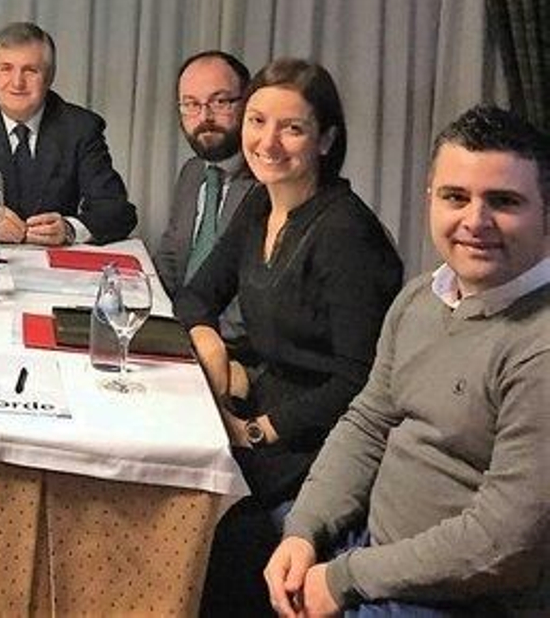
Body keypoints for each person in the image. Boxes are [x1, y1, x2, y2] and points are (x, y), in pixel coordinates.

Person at [264, 106, 549, 617]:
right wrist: (304, 531)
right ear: (430, 202)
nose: (475, 221)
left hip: (462, 600)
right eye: (455, 197)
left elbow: (506, 546)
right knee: (229, 547)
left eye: (503, 202)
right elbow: (369, 423)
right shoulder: (423, 297)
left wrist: (345, 578)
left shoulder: (540, 345)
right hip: (374, 549)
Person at [175, 57, 403, 617]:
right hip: (266, 410)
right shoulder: (260, 203)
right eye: (256, 121)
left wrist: (255, 431)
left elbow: (361, 380)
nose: (267, 142)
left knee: (204, 528)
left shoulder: (346, 232)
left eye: (291, 128)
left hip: (317, 444)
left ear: (325, 140)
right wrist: (209, 346)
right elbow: (196, 295)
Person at [0, 22, 136, 245]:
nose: (17, 82)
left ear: (49, 77)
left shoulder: (80, 128)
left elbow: (117, 211)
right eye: (6, 68)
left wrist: (69, 229)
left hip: (54, 268)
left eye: (30, 70)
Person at [155, 50, 260, 298]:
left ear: (247, 102)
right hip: (179, 322)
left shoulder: (267, 184)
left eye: (220, 102)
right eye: (191, 104)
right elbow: (170, 260)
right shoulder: (192, 172)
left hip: (231, 334)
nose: (204, 117)